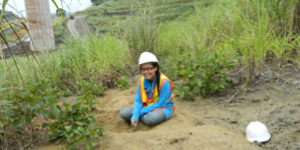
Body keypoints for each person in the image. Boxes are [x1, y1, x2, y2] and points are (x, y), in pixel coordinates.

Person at [119, 52, 175, 126]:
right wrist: (135, 114)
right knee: (123, 113)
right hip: (146, 105)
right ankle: (140, 117)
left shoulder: (164, 83)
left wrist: (140, 112)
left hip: (163, 108)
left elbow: (161, 104)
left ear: (155, 68)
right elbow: (138, 100)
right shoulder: (141, 80)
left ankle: (142, 118)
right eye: (143, 69)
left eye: (149, 69)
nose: (146, 72)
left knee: (150, 119)